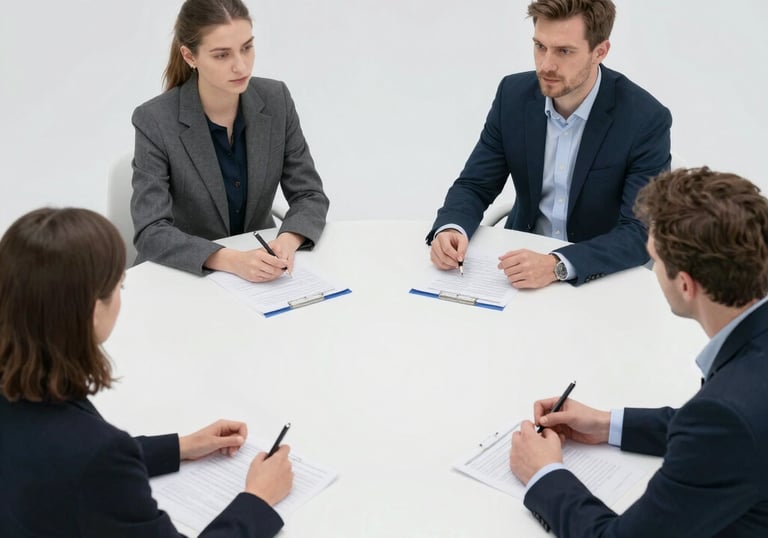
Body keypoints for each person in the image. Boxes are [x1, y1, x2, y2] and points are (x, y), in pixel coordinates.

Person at [0, 207, 294, 537]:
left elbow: (54, 460)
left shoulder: (22, 387)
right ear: (94, 312)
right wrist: (258, 499)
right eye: (120, 288)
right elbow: (86, 461)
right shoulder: (98, 455)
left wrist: (181, 447)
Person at [509, 167, 768, 536]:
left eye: (655, 261)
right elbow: (731, 436)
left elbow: (726, 428)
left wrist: (543, 473)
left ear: (685, 285)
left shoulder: (726, 414)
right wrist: (606, 424)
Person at [427, 0, 671, 288]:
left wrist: (557, 265)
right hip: (517, 267)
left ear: (600, 51)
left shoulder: (645, 119)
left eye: (564, 51)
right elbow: (476, 184)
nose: (546, 65)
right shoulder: (513, 96)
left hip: (597, 277)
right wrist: (451, 227)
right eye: (540, 46)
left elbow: (639, 231)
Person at [131, 0, 329, 282]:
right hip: (184, 275)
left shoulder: (276, 100)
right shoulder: (155, 119)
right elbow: (150, 231)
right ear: (189, 56)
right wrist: (232, 260)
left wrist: (289, 238)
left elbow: (309, 195)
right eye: (222, 55)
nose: (241, 66)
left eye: (247, 48)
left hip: (261, 270)